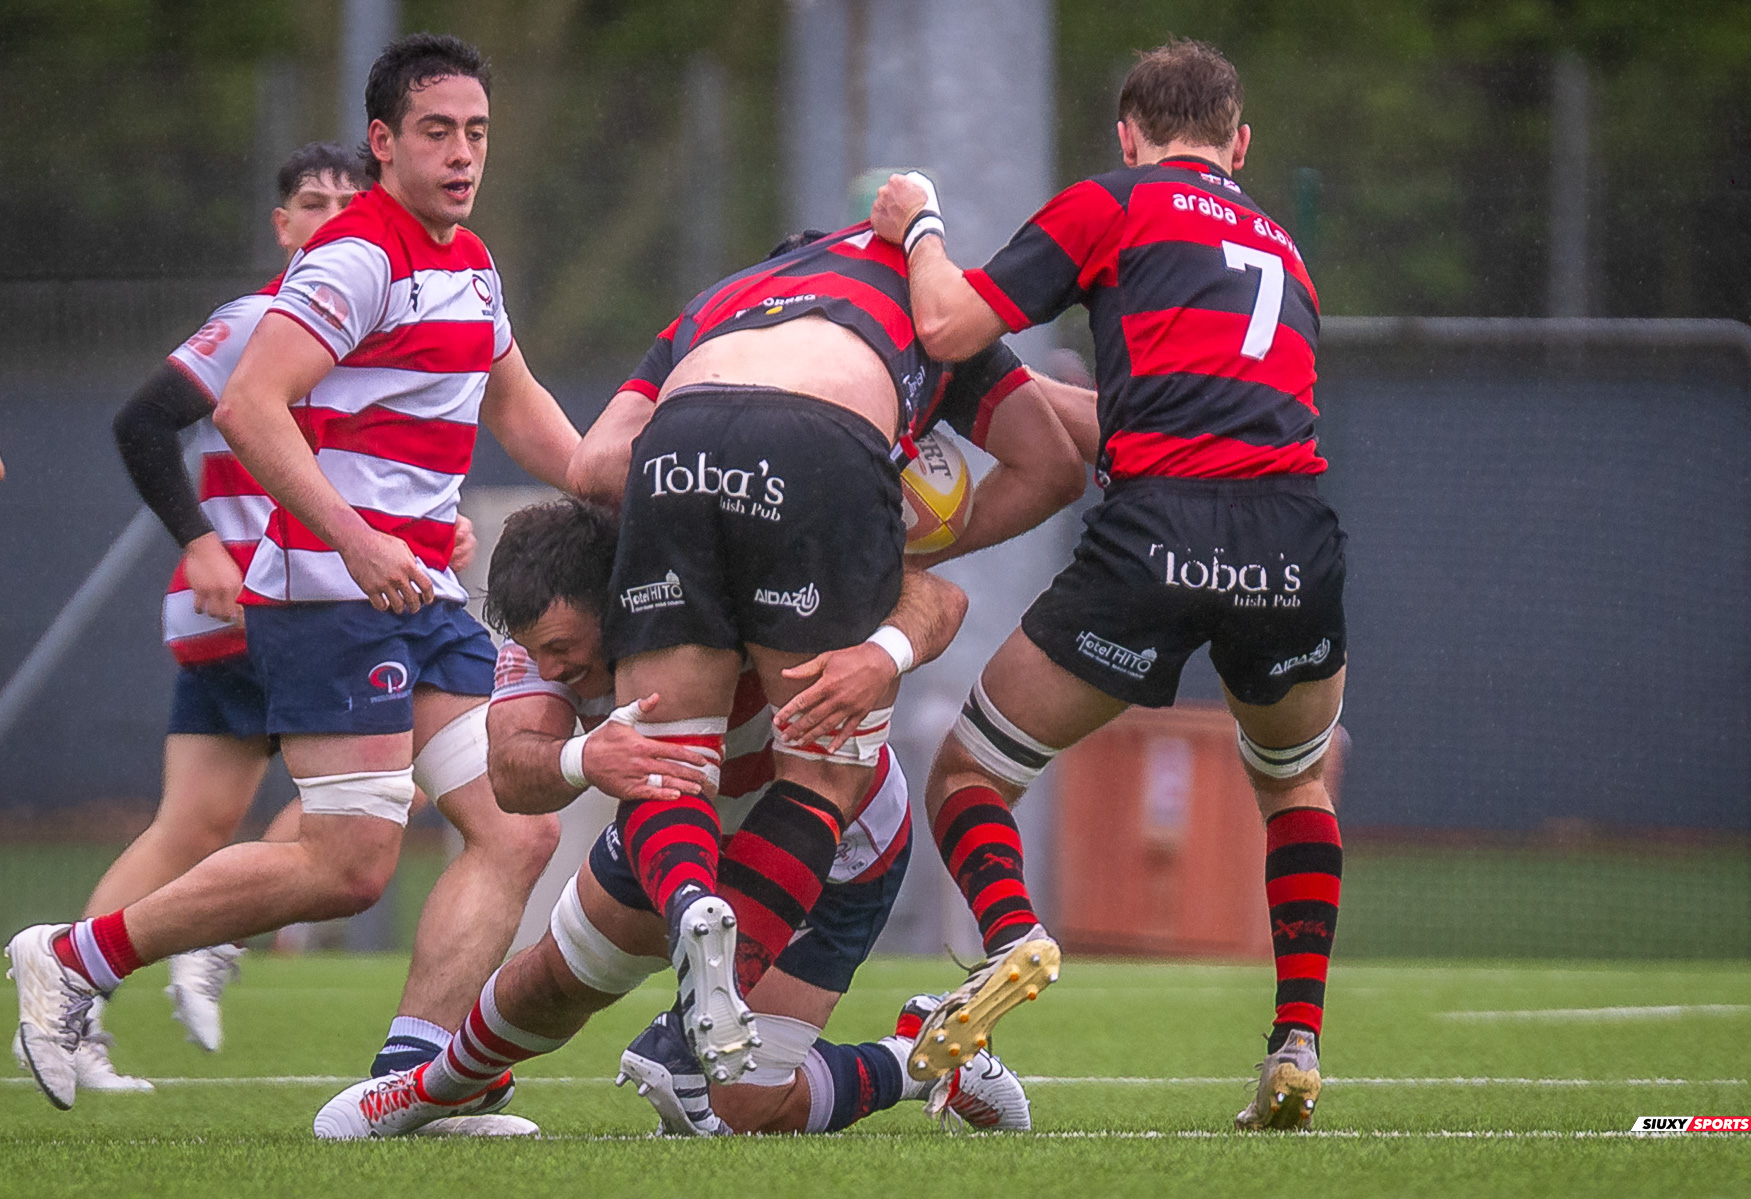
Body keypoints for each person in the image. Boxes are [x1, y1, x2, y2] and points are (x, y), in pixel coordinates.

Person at [7, 35, 574, 1127]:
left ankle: (418, 1079)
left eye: (477, 133)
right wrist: (358, 539)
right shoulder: (354, 256)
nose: (463, 154)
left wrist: (635, 477)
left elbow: (529, 417)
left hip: (423, 600)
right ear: (383, 142)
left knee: (518, 824)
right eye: (436, 132)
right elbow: (244, 407)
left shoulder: (471, 260)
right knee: (349, 863)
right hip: (330, 597)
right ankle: (76, 955)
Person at [870, 39, 1345, 1129]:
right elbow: (1190, 413)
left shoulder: (1112, 202)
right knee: (1294, 785)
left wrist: (922, 222)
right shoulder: (1285, 248)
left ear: (1128, 136)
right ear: (1241, 143)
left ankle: (1011, 934)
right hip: (1293, 536)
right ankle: (1297, 1043)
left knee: (972, 773)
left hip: (1158, 537)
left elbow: (947, 325)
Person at [313, 498, 1030, 1137]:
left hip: (835, 849)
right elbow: (511, 773)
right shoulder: (541, 646)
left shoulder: (734, 584)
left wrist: (883, 655)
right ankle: (423, 1090)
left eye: (564, 648)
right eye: (537, 651)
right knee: (548, 986)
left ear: (618, 601)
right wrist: (583, 758)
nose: (552, 667)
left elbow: (936, 595)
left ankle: (923, 1060)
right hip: (678, 830)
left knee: (746, 1107)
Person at [558, 225, 1085, 1084]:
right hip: (823, 450)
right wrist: (869, 559)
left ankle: (693, 908)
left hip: (679, 445)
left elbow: (592, 465)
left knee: (667, 753)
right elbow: (1054, 464)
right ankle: (694, 1028)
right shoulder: (931, 306)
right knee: (826, 770)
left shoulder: (724, 301)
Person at [6, 143, 397, 1097]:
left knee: (192, 826)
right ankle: (208, 936)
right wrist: (200, 541)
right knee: (435, 755)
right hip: (271, 606)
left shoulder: (382, 324)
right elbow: (143, 423)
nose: (332, 214)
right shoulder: (264, 317)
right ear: (283, 225)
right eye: (312, 202)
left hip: (308, 603)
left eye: (350, 201)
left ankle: (69, 1000)